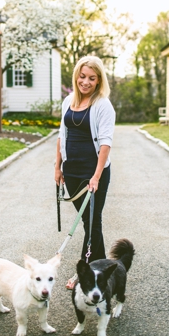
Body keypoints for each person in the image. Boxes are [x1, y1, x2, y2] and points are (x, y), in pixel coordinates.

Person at [54, 55, 116, 290]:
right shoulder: (68, 101)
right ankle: (102, 268)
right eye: (82, 77)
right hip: (71, 171)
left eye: (92, 78)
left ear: (99, 80)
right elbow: (62, 135)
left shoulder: (102, 105)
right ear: (76, 76)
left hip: (93, 172)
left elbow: (105, 143)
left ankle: (84, 273)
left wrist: (97, 176)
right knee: (87, 222)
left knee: (92, 222)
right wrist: (57, 166)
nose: (86, 82)